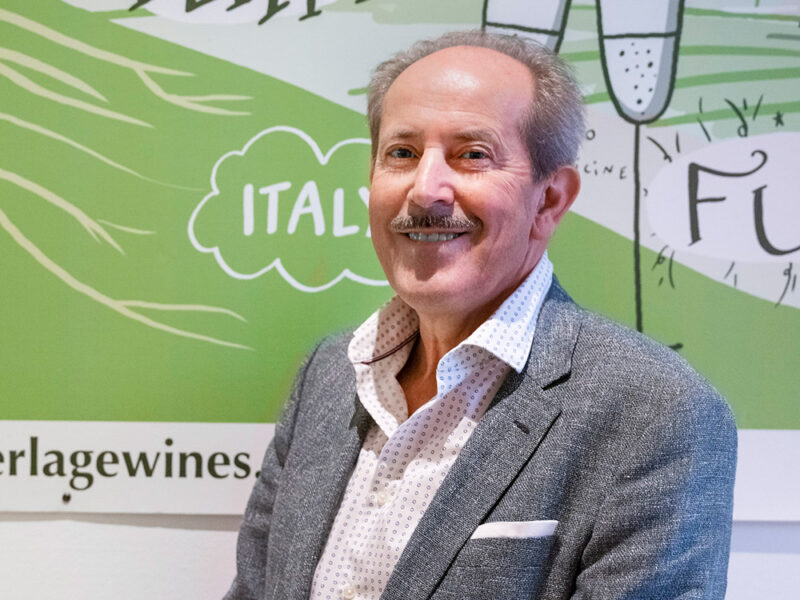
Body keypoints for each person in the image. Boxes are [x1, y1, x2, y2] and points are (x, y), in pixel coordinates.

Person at [225, 31, 737, 600]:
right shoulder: (327, 376)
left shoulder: (655, 410)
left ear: (550, 199)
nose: (426, 190)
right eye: (402, 153)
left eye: (472, 154)